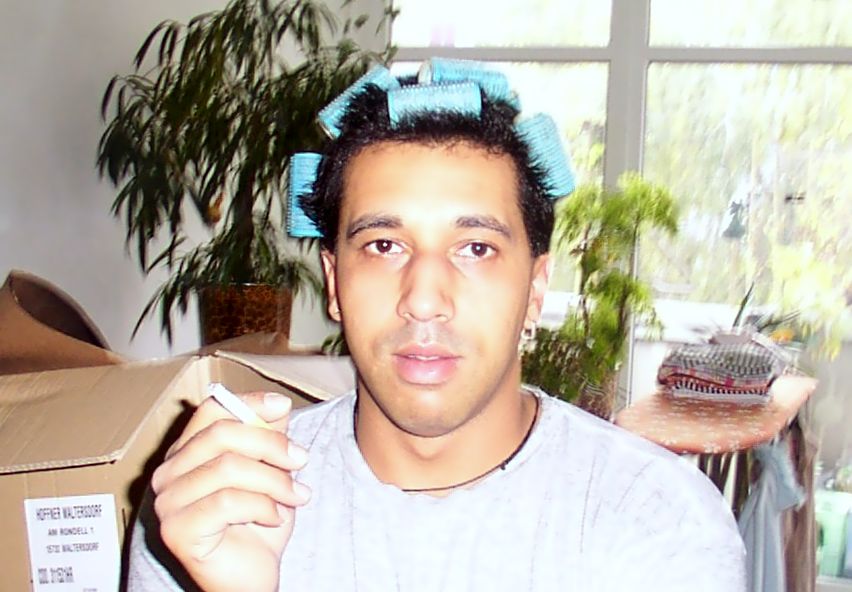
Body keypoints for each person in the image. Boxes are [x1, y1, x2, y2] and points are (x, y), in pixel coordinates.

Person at [127, 60, 746, 591]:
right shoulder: (216, 508)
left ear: (535, 289)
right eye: (383, 246)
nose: (424, 301)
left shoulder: (658, 518)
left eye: (475, 248)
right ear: (334, 283)